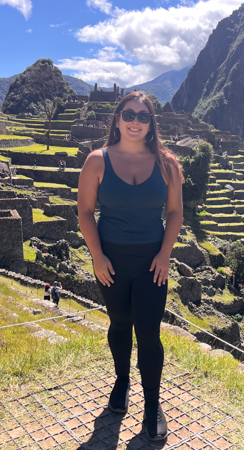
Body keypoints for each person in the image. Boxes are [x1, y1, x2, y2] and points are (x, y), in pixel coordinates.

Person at [78, 92, 183, 441]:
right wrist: (97, 256)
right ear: (118, 119)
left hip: (153, 262)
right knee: (120, 323)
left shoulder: (167, 164)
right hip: (111, 261)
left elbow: (175, 213)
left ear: (151, 123)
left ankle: (152, 405)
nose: (135, 121)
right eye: (129, 114)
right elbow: (84, 213)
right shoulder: (97, 161)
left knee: (149, 334)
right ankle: (122, 382)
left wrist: (166, 254)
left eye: (143, 116)